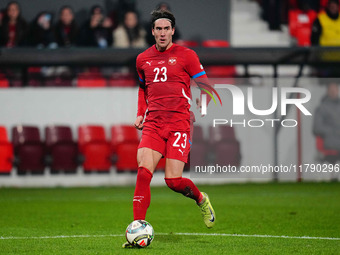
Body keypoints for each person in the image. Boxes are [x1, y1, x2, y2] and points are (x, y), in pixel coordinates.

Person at [123, 9, 215, 248]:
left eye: (166, 29)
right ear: (152, 31)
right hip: (154, 123)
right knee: (143, 172)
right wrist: (140, 113)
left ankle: (201, 199)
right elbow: (143, 89)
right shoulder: (142, 59)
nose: (162, 33)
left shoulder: (187, 55)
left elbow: (205, 84)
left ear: (172, 30)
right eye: (158, 29)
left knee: (173, 181)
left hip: (180, 124)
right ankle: (138, 229)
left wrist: (203, 99)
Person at [313, 82, 340, 152]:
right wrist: (334, 130)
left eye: (335, 89)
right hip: (331, 143)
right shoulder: (322, 108)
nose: (333, 92)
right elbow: (317, 128)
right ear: (327, 91)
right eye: (331, 90)